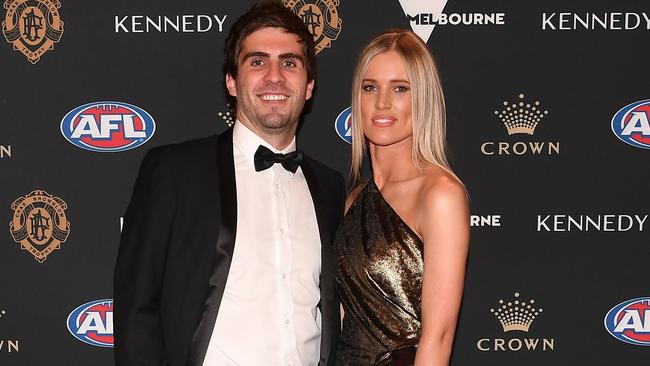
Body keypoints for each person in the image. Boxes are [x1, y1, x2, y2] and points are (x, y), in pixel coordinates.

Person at [113, 3, 344, 366]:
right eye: (257, 62)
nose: (274, 77)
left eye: (289, 62)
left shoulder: (330, 187)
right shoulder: (175, 172)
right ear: (231, 82)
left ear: (309, 85)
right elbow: (136, 309)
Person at [333, 29, 470, 365]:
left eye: (400, 88)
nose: (382, 102)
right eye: (370, 87)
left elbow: (438, 336)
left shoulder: (439, 195)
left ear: (422, 98)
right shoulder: (354, 199)